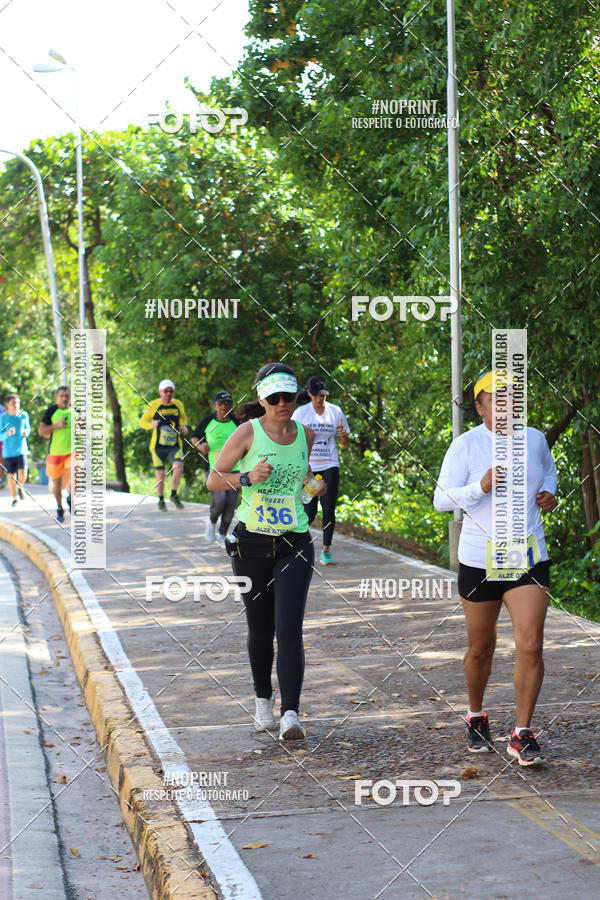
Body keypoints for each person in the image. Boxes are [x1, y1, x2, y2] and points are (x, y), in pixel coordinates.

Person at [433, 370, 557, 766]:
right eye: (496, 399)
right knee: (481, 648)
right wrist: (479, 487)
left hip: (528, 555)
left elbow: (550, 470)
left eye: (511, 398)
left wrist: (549, 492)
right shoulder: (466, 446)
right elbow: (441, 499)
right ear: (480, 405)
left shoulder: (534, 439)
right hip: (479, 559)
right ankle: (476, 714)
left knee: (531, 641)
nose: (506, 406)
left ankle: (522, 732)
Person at [207, 362, 326, 740]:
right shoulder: (247, 432)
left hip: (294, 540)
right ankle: (263, 703)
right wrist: (246, 477)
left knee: (289, 627)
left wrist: (314, 489)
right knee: (261, 627)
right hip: (252, 543)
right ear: (261, 399)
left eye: (287, 397)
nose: (281, 403)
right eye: (273, 397)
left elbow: (303, 484)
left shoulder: (305, 435)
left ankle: (291, 714)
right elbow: (213, 478)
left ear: (296, 397)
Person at [292, 375, 349, 565]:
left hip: (329, 464)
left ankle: (326, 551)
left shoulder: (335, 411)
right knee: (309, 508)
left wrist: (343, 436)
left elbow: (344, 440)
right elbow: (291, 436)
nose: (320, 399)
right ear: (309, 393)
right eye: (316, 395)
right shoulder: (301, 413)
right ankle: (295, 545)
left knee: (329, 508)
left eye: (323, 395)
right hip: (309, 467)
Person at [191, 390, 240, 548]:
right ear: (215, 405)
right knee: (220, 501)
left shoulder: (237, 423)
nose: (224, 407)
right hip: (214, 469)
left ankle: (223, 535)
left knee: (231, 504)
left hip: (235, 469)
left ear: (231, 405)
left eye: (227, 403)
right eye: (220, 403)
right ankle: (211, 522)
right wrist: (200, 446)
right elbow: (194, 436)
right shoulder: (208, 421)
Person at [139, 379, 189, 510]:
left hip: (174, 445)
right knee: (160, 474)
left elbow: (183, 418)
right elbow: (142, 422)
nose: (168, 393)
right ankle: (161, 499)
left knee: (178, 466)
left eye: (171, 391)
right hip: (158, 446)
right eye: (165, 391)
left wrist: (184, 426)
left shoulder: (178, 404)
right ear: (160, 392)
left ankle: (173, 494)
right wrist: (151, 425)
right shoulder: (153, 404)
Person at [39, 386, 72, 522]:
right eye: (62, 395)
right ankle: (60, 507)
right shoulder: (51, 411)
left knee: (76, 475)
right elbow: (42, 431)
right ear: (56, 397)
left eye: (67, 395)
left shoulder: (76, 410)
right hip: (55, 454)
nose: (64, 398)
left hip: (72, 452)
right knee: (57, 485)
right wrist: (56, 426)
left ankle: (71, 498)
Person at [0, 394, 31, 507]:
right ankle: (14, 498)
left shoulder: (23, 415)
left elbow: (28, 428)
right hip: (8, 453)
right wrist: (7, 434)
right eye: (13, 403)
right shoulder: (3, 418)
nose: (16, 405)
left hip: (21, 450)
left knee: (23, 474)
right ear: (7, 405)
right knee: (11, 477)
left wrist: (26, 432)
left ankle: (20, 487)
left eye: (17, 402)